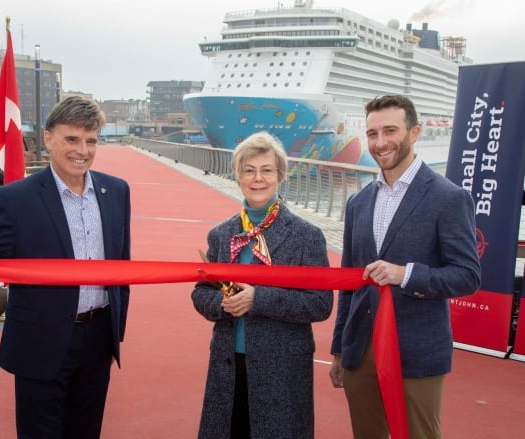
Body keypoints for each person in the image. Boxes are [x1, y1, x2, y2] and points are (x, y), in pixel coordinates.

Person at [0, 96, 131, 438]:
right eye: (72, 139)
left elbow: (122, 269)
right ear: (48, 138)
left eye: (91, 140)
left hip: (97, 337)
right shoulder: (17, 198)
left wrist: (114, 337)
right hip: (42, 341)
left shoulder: (116, 192)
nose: (83, 150)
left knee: (86, 431)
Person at [328, 94, 481, 438]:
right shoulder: (358, 202)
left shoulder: (449, 197)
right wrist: (339, 348)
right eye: (372, 133)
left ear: (414, 133)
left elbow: (468, 276)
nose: (380, 143)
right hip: (360, 350)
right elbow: (350, 281)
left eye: (390, 131)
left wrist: (405, 274)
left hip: (416, 352)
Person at [191, 131, 333, 439]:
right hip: (229, 363)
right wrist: (221, 304)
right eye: (249, 170)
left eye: (266, 170)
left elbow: (321, 304)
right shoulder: (221, 234)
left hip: (281, 366)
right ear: (238, 175)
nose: (258, 179)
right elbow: (201, 293)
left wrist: (259, 300)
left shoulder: (306, 236)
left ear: (280, 175)